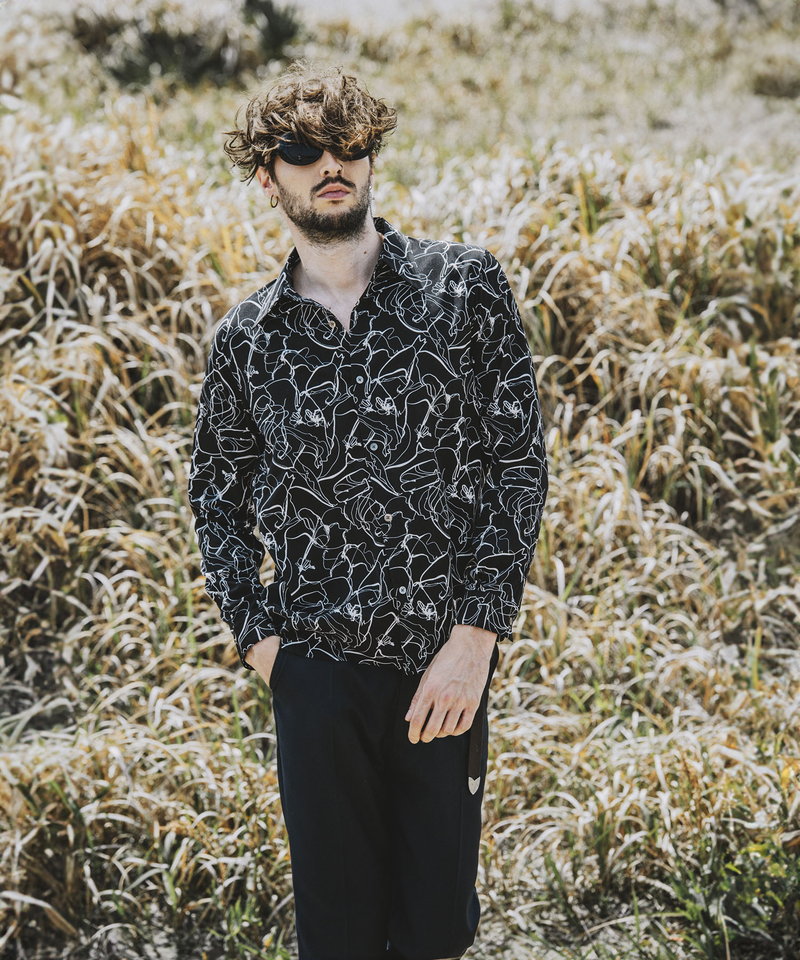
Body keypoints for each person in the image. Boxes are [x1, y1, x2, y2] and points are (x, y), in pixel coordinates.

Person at [187, 62, 548, 960]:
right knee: (339, 938)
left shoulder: (464, 288)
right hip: (316, 678)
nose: (330, 165)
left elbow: (517, 466)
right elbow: (215, 499)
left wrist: (476, 640)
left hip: (442, 669)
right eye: (302, 150)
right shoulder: (248, 339)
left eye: (348, 146)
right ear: (267, 177)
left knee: (436, 931)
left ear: (372, 157)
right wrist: (267, 649)